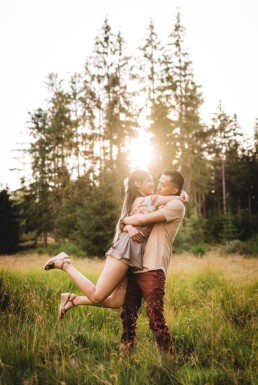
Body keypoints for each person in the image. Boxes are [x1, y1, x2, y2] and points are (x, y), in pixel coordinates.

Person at [43, 170, 187, 319]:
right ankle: (65, 264)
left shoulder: (142, 201)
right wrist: (182, 194)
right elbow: (173, 199)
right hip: (125, 249)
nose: (153, 183)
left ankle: (73, 299)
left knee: (116, 301)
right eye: (149, 181)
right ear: (137, 184)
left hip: (133, 254)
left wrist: (127, 224)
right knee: (97, 295)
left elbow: (127, 220)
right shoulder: (147, 199)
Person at [119, 169, 186, 362]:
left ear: (174, 190)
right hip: (135, 265)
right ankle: (125, 355)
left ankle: (168, 361)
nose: (158, 186)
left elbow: (142, 219)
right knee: (128, 313)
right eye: (159, 182)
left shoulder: (175, 206)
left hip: (153, 267)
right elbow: (133, 222)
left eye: (163, 184)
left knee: (155, 317)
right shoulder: (153, 202)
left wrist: (124, 221)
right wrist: (129, 226)